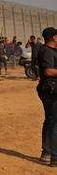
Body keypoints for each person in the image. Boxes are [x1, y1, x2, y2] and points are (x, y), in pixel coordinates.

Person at [36, 27, 57, 166]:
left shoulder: (51, 51)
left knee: (51, 120)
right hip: (49, 90)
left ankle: (47, 153)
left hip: (52, 90)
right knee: (54, 122)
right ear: (54, 38)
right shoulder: (46, 51)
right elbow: (49, 71)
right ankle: (54, 156)